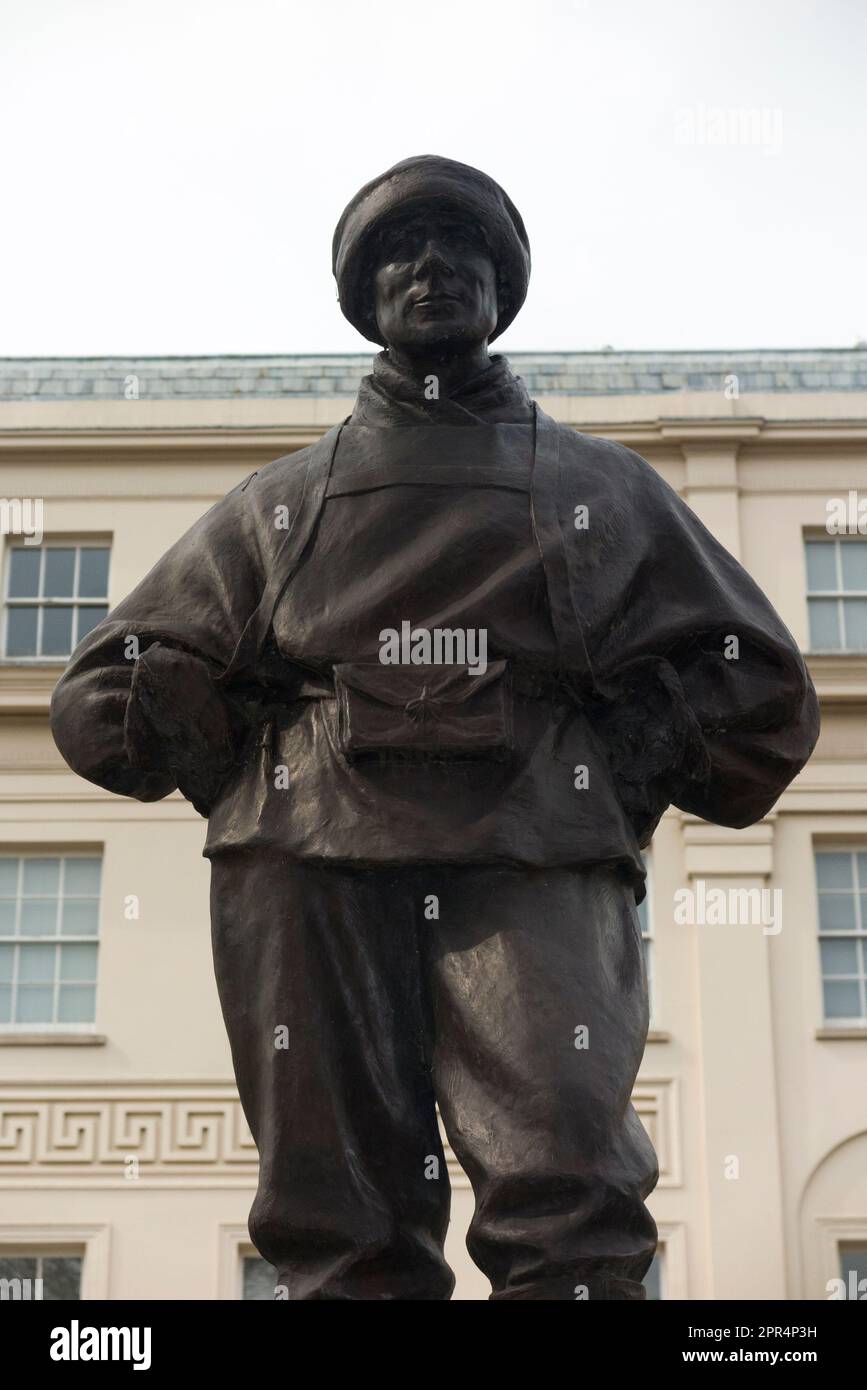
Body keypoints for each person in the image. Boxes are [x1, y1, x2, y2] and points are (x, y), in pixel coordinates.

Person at [50, 155, 819, 1300]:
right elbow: (100, 696)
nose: (431, 272)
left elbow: (760, 693)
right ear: (363, 295)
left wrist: (623, 754)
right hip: (306, 859)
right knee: (338, 1215)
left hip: (534, 847)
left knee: (568, 1190)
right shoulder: (282, 500)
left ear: (503, 287)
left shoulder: (602, 489)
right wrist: (185, 716)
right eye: (401, 254)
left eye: (463, 252)